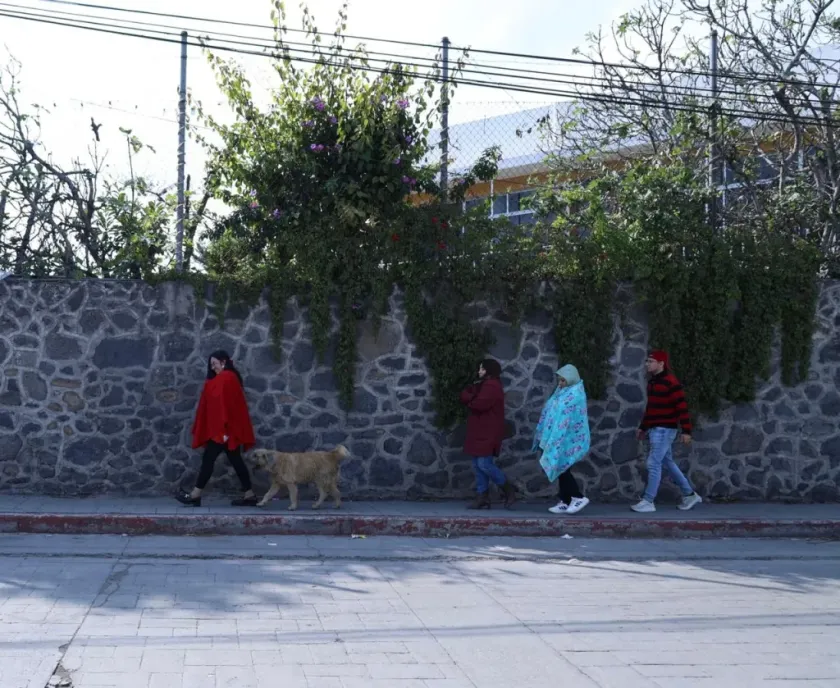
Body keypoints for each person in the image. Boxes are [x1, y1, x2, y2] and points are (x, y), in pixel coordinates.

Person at [176, 350, 258, 507]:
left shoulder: (226, 378)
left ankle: (195, 495)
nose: (213, 367)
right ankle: (250, 495)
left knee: (209, 459)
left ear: (224, 362)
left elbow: (224, 407)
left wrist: (224, 430)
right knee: (236, 460)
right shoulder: (227, 379)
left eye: (215, 364)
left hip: (224, 430)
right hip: (227, 430)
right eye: (211, 365)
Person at [632, 350, 702, 513]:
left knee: (653, 463)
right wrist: (643, 427)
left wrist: (686, 431)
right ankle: (689, 494)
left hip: (665, 430)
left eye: (651, 361)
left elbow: (682, 408)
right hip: (655, 429)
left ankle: (648, 501)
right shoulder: (653, 383)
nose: (647, 364)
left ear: (661, 363)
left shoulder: (671, 382)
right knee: (667, 462)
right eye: (647, 361)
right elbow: (651, 409)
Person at [533, 364, 591, 515]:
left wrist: (556, 436)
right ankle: (565, 500)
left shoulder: (575, 394)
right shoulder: (562, 392)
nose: (560, 383)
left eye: (563, 380)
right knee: (560, 468)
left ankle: (578, 497)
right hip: (560, 436)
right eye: (559, 380)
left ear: (571, 379)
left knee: (562, 468)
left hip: (568, 438)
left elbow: (569, 417)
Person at [460, 358, 516, 510]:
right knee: (478, 465)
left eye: (482, 369)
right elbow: (471, 397)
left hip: (487, 430)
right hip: (480, 429)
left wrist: (469, 399)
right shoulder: (484, 384)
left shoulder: (491, 386)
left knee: (484, 464)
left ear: (489, 371)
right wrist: (472, 398)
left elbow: (479, 404)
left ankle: (508, 488)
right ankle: (482, 496)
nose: (479, 372)